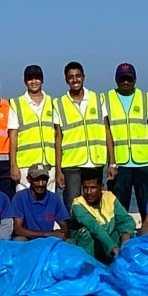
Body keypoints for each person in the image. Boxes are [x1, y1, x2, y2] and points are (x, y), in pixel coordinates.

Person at [105, 63, 148, 217]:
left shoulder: (146, 98)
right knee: (119, 210)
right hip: (120, 163)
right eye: (122, 79)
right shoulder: (106, 99)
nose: (126, 82)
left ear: (135, 79)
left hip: (144, 162)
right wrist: (111, 162)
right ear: (116, 80)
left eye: (129, 79)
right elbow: (106, 131)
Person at [56, 62, 110, 204]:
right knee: (73, 204)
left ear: (84, 77)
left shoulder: (97, 99)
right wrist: (58, 170)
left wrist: (113, 163)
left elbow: (107, 130)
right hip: (71, 164)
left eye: (78, 76)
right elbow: (58, 138)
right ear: (66, 80)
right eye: (71, 77)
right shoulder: (59, 104)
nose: (75, 80)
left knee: (95, 203)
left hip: (95, 162)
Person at [67, 170, 135, 263]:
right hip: (86, 246)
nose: (89, 192)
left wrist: (125, 243)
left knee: (126, 232)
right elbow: (94, 227)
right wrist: (114, 248)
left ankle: (120, 261)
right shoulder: (77, 205)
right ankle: (88, 265)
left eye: (93, 188)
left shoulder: (109, 197)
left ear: (101, 187)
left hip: (104, 243)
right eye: (85, 188)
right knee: (86, 233)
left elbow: (126, 220)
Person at [11, 65, 60, 191]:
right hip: (25, 165)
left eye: (37, 78)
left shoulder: (53, 103)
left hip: (49, 165)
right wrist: (13, 165)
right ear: (25, 81)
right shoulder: (16, 104)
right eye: (30, 78)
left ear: (42, 79)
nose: (33, 82)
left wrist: (59, 167)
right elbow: (13, 137)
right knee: (24, 200)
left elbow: (58, 135)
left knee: (48, 200)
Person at [9, 164, 70, 240]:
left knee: (68, 242)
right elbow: (18, 230)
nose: (40, 184)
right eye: (36, 180)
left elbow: (65, 230)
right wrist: (47, 234)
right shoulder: (19, 197)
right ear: (28, 179)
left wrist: (57, 234)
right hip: (28, 240)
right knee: (19, 240)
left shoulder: (54, 198)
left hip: (48, 241)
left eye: (44, 180)